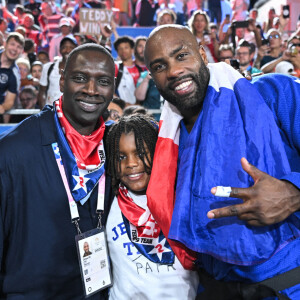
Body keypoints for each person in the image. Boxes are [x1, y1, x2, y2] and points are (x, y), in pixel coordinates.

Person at [144, 25, 300, 299]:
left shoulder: (273, 93)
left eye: (181, 56)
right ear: (153, 78)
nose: (174, 71)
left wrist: (293, 192)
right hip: (214, 289)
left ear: (203, 55)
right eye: (160, 66)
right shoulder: (165, 143)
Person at [0, 43, 115, 299]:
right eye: (80, 78)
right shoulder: (12, 152)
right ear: (62, 80)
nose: (91, 90)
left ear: (114, 87)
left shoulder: (117, 146)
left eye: (103, 81)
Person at [105, 114, 198, 299]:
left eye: (140, 153)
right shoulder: (108, 199)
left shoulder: (181, 197)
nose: (131, 163)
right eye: (121, 156)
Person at [38, 36, 77, 108]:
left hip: (71, 113)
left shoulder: (80, 69)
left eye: (71, 47)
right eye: (64, 47)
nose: (67, 50)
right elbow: (42, 91)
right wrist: (44, 111)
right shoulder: (48, 67)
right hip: (51, 112)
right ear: (60, 49)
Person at [0, 32, 24, 122]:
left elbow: (9, 101)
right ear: (5, 44)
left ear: (21, 51)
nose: (15, 49)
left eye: (19, 47)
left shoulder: (15, 74)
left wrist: (3, 107)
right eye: (12, 44)